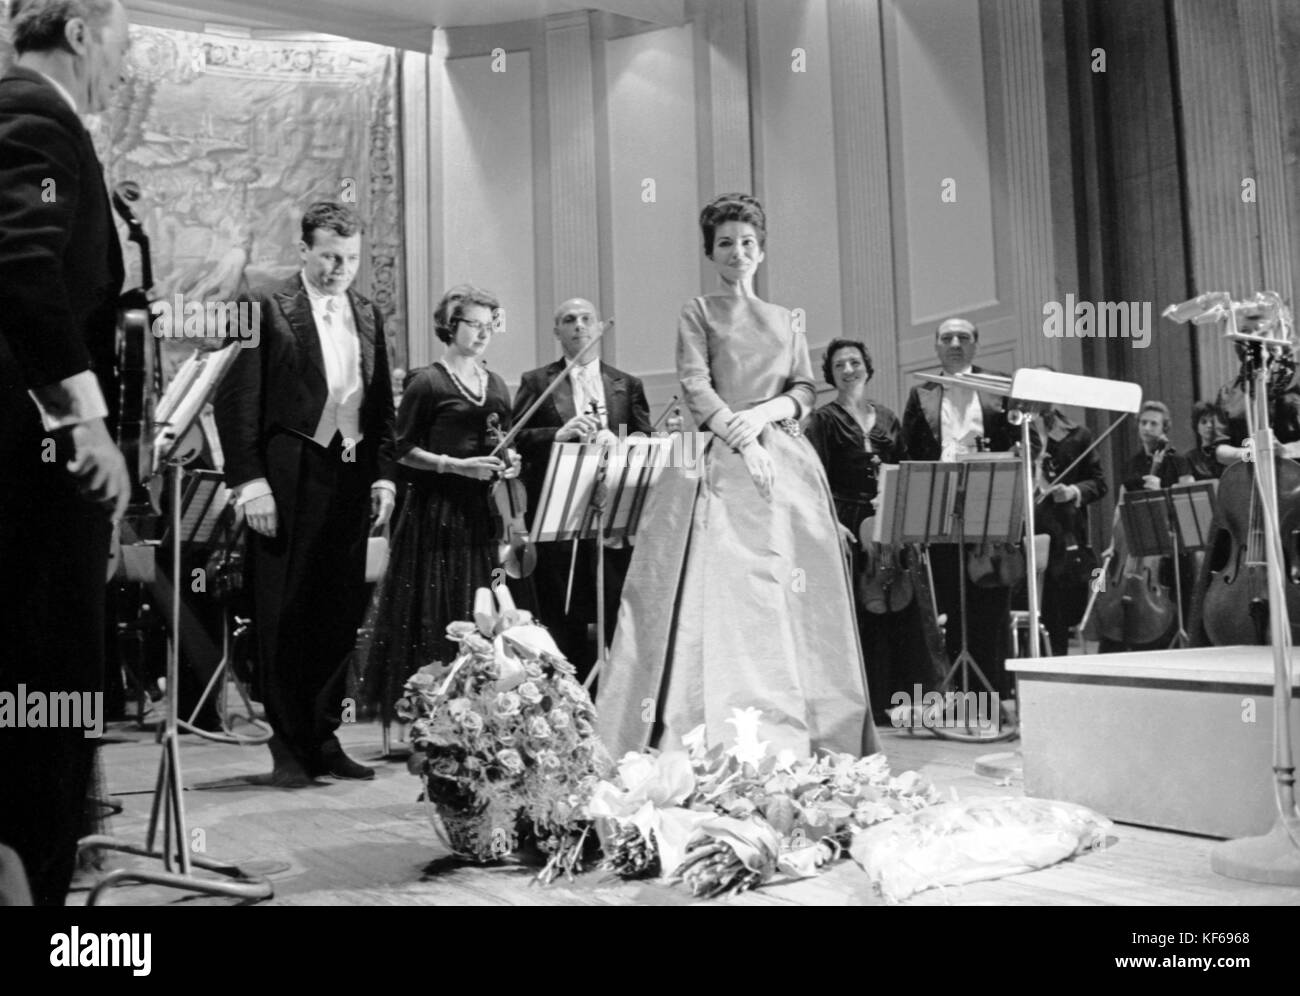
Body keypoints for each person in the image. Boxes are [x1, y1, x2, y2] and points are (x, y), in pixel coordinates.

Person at [596, 194, 878, 759]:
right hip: (714, 459)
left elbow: (804, 388)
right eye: (725, 243)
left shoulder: (786, 319)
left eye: (747, 242)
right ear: (711, 252)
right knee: (723, 592)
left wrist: (762, 417)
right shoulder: (698, 311)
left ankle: (809, 728)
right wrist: (742, 438)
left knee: (790, 590)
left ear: (762, 251)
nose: (737, 251)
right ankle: (704, 727)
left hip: (785, 461)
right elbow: (695, 385)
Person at [0, 0, 132, 906]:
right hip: (34, 470)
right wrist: (84, 424)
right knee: (46, 695)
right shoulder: (32, 112)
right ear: (81, 32)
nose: (125, 63)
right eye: (122, 42)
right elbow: (21, 268)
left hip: (34, 467)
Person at [214, 201, 396, 785]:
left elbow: (381, 405)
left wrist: (384, 476)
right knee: (284, 613)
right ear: (304, 250)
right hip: (287, 476)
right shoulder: (262, 307)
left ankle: (323, 737)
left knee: (338, 613)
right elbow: (235, 401)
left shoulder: (367, 313)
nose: (341, 269)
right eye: (330, 257)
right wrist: (250, 484)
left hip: (350, 475)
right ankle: (288, 746)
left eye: (350, 259)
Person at [358, 285, 521, 723]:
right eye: (474, 324)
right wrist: (455, 466)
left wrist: (510, 461)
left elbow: (504, 442)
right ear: (450, 325)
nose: (483, 333)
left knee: (482, 601)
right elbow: (401, 449)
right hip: (436, 512)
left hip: (481, 515)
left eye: (490, 326)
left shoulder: (496, 384)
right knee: (436, 605)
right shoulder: (427, 382)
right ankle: (432, 710)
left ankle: (479, 708)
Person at [511, 297, 652, 682]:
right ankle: (569, 694)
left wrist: (621, 441)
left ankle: (619, 693)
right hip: (559, 515)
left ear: (599, 327)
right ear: (556, 331)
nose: (579, 325)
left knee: (615, 606)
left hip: (612, 515)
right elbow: (516, 438)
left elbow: (645, 437)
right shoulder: (537, 382)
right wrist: (557, 434)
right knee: (563, 610)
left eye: (587, 318)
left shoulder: (627, 384)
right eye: (569, 319)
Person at [804, 338, 945, 719]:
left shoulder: (886, 417)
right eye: (839, 365)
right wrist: (831, 523)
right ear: (830, 375)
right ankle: (870, 702)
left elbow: (904, 467)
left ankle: (909, 700)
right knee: (863, 613)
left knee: (904, 607)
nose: (848, 370)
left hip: (889, 519)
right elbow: (812, 478)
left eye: (854, 362)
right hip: (846, 522)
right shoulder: (822, 419)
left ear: (867, 367)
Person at [901, 318, 1019, 698]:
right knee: (951, 602)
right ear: (936, 346)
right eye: (947, 338)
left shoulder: (1000, 386)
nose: (955, 343)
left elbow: (1024, 440)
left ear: (976, 345)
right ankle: (959, 693)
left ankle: (992, 694)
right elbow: (908, 451)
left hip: (989, 505)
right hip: (942, 507)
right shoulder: (920, 394)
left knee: (990, 603)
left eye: (963, 337)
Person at [1025, 391, 1107, 656]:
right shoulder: (1015, 430)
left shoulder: (1078, 435)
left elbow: (1099, 483)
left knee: (1058, 612)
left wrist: (1072, 491)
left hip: (1062, 534)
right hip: (1024, 530)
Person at [1119, 401, 1192, 492]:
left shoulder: (1179, 462)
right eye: (1143, 423)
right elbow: (1123, 499)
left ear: (1164, 428)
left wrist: (1159, 492)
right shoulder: (1131, 465)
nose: (1147, 428)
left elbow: (1189, 497)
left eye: (1153, 424)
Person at [1185, 400, 1229, 482]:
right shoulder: (1190, 458)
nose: (1209, 425)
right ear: (1197, 427)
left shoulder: (1228, 452)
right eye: (1204, 422)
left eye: (1212, 422)